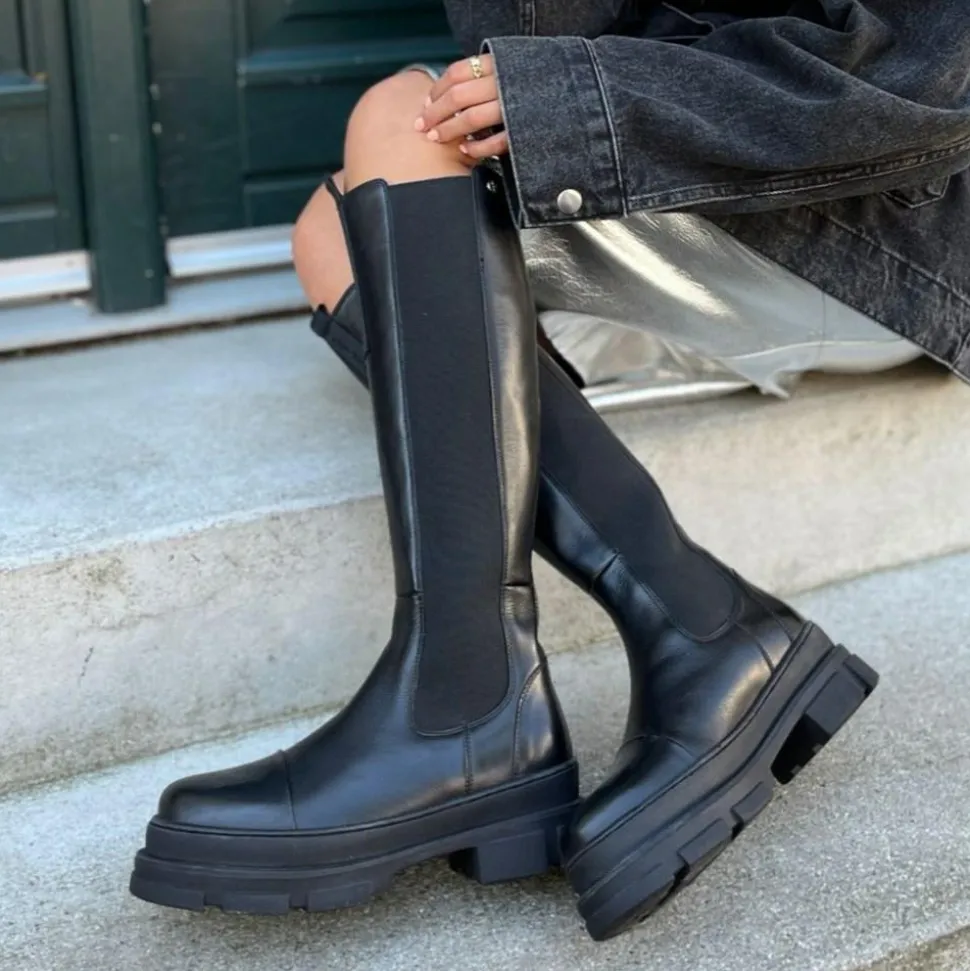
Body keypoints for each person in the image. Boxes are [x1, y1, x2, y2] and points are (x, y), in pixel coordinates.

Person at [129, 2, 970, 942]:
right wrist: (558, 100)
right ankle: (688, 622)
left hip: (895, 226)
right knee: (338, 228)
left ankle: (474, 702)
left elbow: (930, 75)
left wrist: (576, 100)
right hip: (699, 192)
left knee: (399, 124)